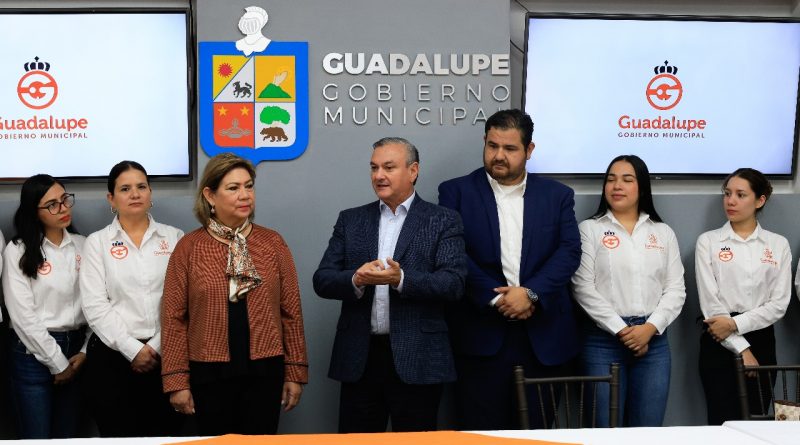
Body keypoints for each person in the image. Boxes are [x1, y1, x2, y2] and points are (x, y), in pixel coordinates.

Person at [438, 109, 581, 430]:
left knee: (540, 435)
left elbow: (569, 252)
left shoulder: (557, 196)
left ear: (529, 150)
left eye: (510, 148)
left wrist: (530, 294)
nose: (498, 156)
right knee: (481, 434)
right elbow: (453, 253)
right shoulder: (455, 192)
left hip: (543, 339)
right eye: (492, 146)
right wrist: (499, 299)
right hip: (481, 337)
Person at [313, 137, 466, 433]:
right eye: (374, 167)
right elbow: (322, 279)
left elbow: (453, 283)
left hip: (418, 359)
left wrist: (402, 279)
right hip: (361, 359)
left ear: (413, 171)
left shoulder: (443, 220)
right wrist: (356, 279)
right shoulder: (351, 220)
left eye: (388, 167)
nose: (378, 175)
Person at [161, 153, 308, 435]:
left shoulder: (272, 243)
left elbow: (291, 312)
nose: (245, 195)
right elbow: (174, 319)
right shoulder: (188, 248)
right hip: (209, 373)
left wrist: (294, 371)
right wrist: (177, 381)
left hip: (265, 370)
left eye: (248, 186)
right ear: (210, 195)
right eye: (233, 188)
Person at [571, 155, 686, 427]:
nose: (616, 186)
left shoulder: (663, 232)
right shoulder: (590, 229)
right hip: (602, 342)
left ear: (642, 188)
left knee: (647, 431)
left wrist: (649, 328)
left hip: (653, 342)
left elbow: (676, 289)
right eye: (611, 179)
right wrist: (622, 330)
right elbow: (582, 287)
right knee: (603, 430)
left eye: (627, 179)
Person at [79, 161, 184, 437]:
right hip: (113, 361)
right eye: (125, 189)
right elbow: (94, 305)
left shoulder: (174, 238)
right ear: (111, 199)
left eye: (141, 186)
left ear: (151, 193)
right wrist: (132, 349)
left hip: (167, 357)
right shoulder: (97, 242)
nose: (135, 194)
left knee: (168, 436)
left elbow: (183, 301)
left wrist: (156, 346)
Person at [696, 168, 791, 425]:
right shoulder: (709, 241)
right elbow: (710, 303)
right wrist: (743, 349)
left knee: (757, 421)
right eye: (727, 194)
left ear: (760, 200)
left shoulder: (778, 244)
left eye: (740, 194)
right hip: (718, 339)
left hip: (762, 337)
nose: (731, 201)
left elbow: (779, 304)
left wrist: (737, 324)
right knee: (722, 422)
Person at [3, 175, 88, 438]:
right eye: (52, 204)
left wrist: (85, 351)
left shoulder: (84, 245)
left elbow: (98, 304)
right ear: (34, 211)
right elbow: (22, 317)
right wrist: (57, 363)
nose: (63, 208)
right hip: (32, 354)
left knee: (69, 435)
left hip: (77, 354)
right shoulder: (17, 250)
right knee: (36, 436)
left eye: (64, 200)